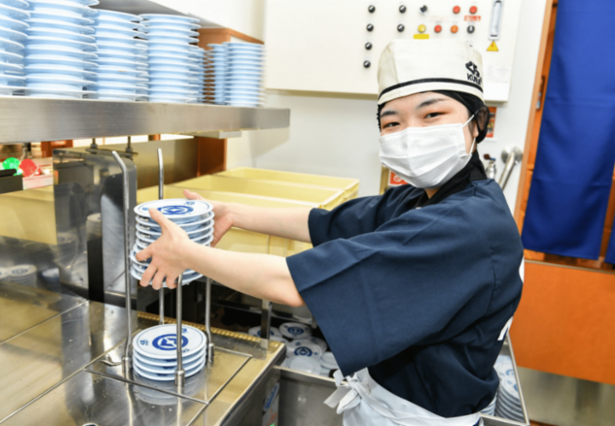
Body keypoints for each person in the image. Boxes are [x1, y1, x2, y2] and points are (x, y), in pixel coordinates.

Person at [136, 39, 523, 426]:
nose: (410, 134)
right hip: (386, 404)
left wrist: (188, 254)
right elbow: (323, 222)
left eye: (432, 114)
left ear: (478, 121)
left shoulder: (464, 227)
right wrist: (233, 213)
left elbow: (291, 285)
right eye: (392, 122)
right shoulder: (425, 199)